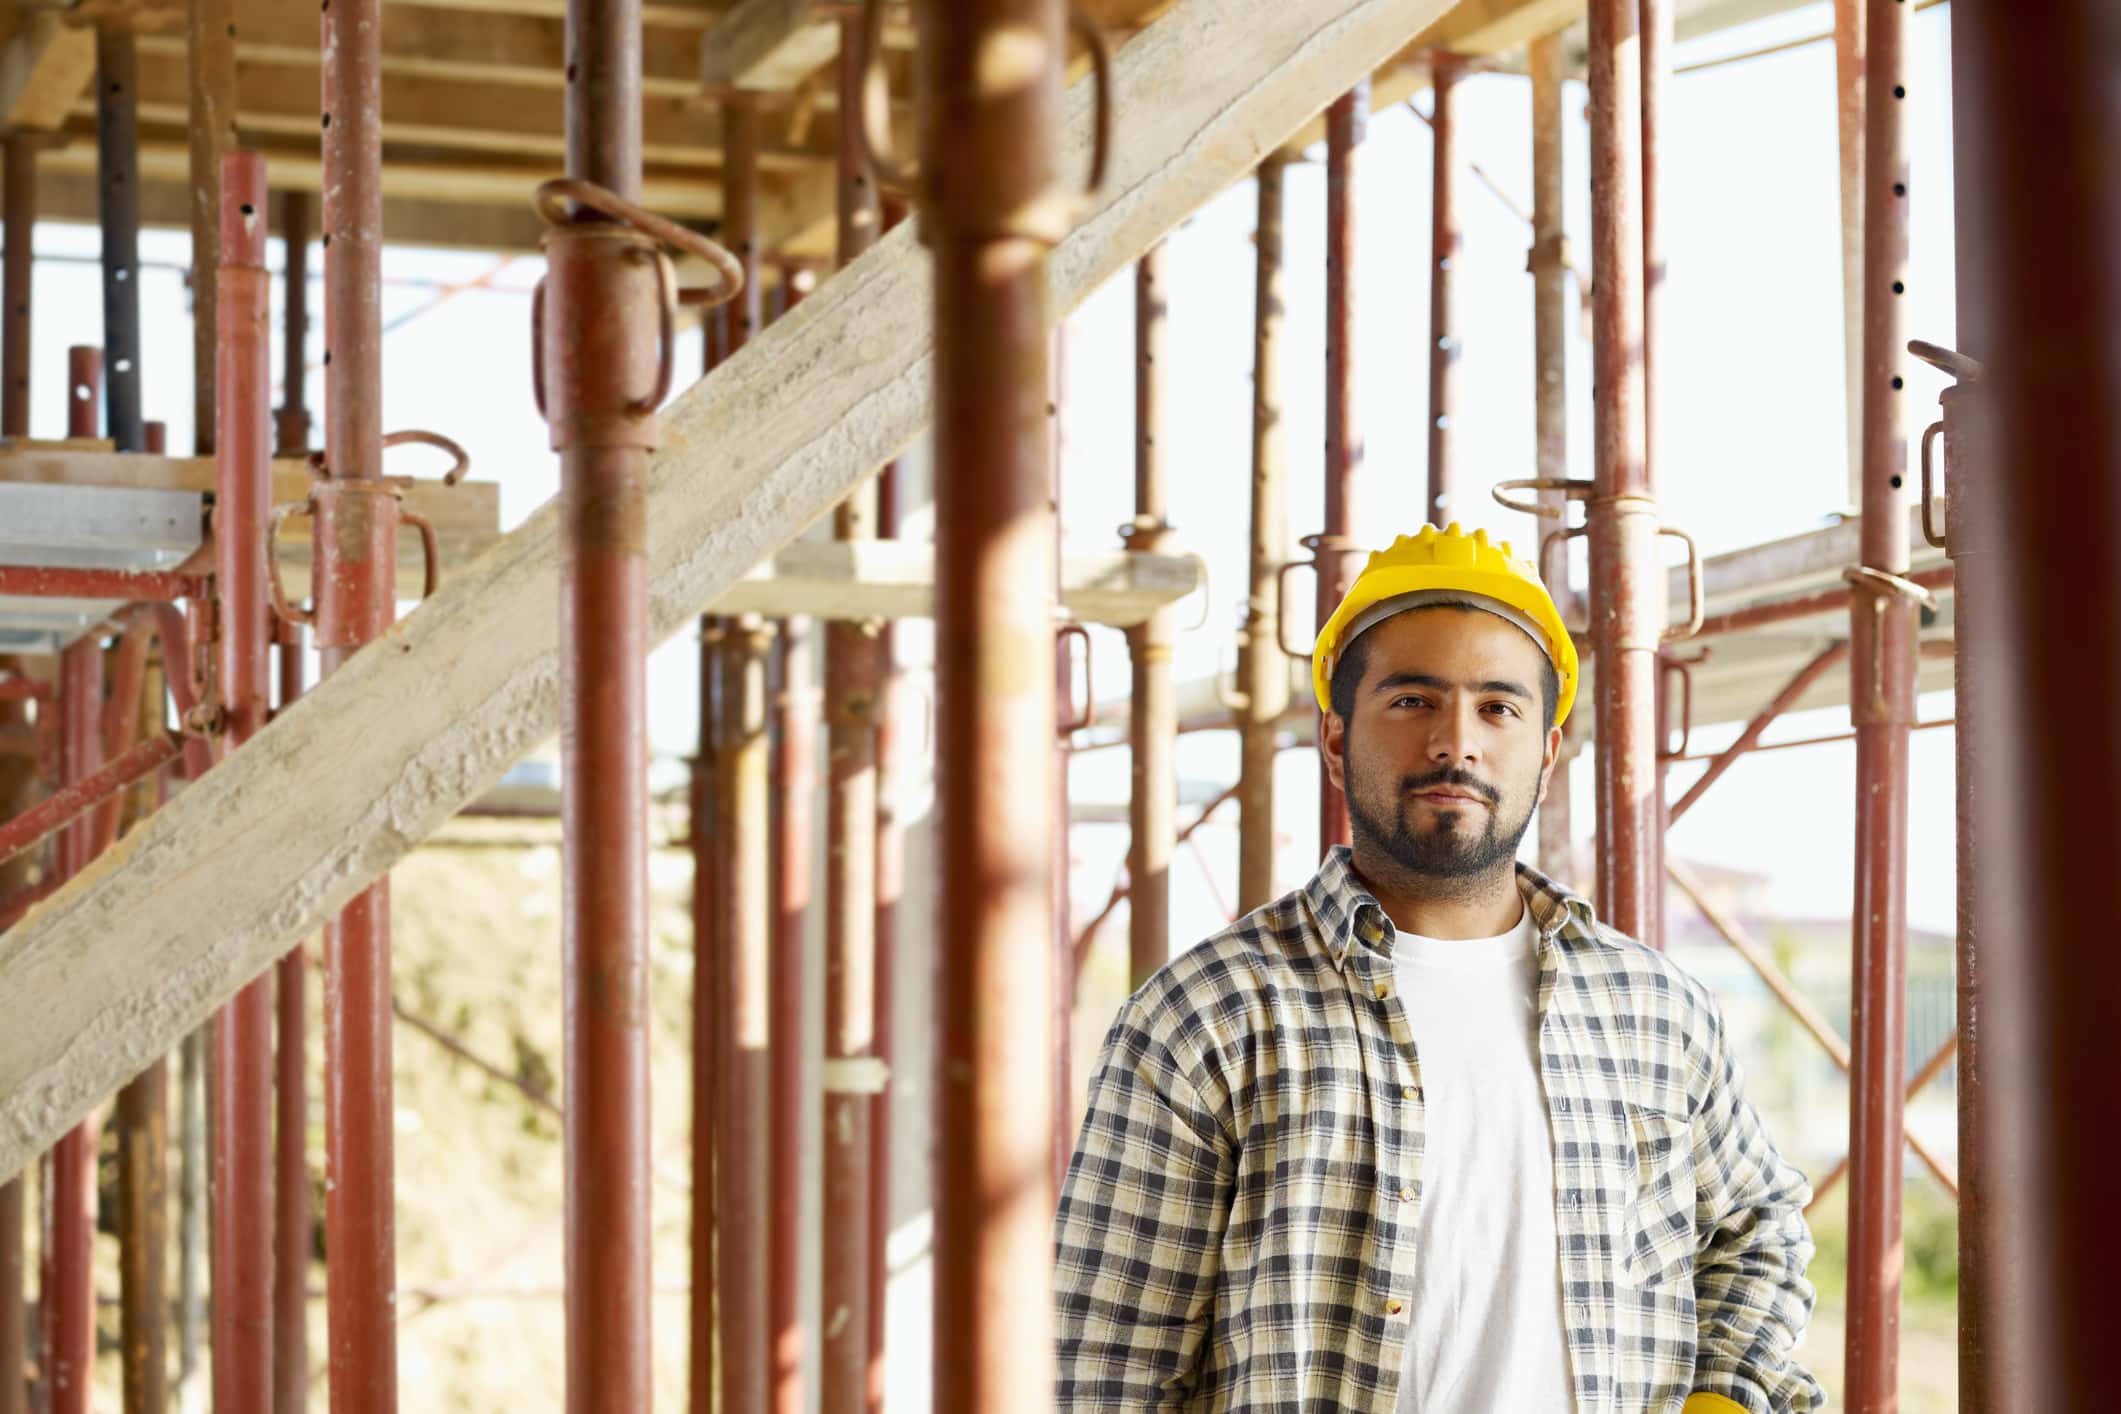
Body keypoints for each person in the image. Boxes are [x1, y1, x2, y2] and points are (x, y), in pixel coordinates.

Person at [1054, 524, 1823, 1412]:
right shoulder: (1207, 1016)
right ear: (1335, 740)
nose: (1455, 743)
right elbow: (1102, 1364)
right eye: (1412, 700)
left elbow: (1754, 1232)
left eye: (1497, 707)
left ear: (1546, 750)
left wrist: (1723, 1398)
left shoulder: (1652, 1009)